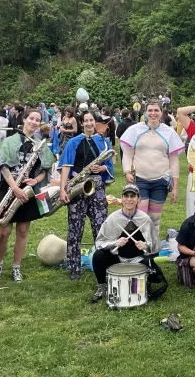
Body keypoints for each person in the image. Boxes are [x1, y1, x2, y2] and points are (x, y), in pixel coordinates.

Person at [0, 109, 55, 282]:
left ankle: (16, 268)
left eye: (38, 119)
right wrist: (15, 188)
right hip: (11, 188)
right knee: (4, 231)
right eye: (31, 118)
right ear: (25, 119)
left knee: (22, 230)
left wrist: (36, 181)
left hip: (27, 191)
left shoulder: (40, 145)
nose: (34, 122)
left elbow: (45, 170)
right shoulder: (10, 141)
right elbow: (3, 167)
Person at [58, 110, 115, 280]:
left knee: (101, 228)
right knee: (75, 229)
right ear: (81, 123)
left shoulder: (103, 142)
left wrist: (102, 168)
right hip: (77, 187)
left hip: (96, 187)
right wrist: (62, 189)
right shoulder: (73, 142)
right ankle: (74, 267)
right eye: (86, 121)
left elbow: (109, 166)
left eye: (92, 120)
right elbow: (66, 167)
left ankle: (103, 264)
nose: (89, 123)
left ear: (94, 122)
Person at [90, 183, 163, 304]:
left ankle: (144, 285)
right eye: (126, 196)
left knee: (154, 271)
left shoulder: (145, 219)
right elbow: (100, 242)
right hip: (117, 257)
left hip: (138, 258)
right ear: (122, 198)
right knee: (98, 255)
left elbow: (156, 246)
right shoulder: (113, 218)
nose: (129, 199)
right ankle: (102, 286)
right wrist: (115, 243)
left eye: (133, 196)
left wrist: (146, 245)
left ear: (138, 199)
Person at [120, 99, 184, 237]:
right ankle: (139, 245)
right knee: (141, 216)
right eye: (150, 110)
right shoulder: (135, 130)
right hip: (140, 180)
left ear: (161, 112)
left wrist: (175, 186)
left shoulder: (169, 132)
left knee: (155, 217)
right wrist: (126, 171)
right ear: (145, 112)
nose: (153, 113)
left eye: (156, 110)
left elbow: (174, 161)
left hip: (161, 181)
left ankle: (152, 247)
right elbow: (127, 154)